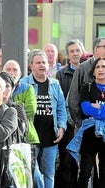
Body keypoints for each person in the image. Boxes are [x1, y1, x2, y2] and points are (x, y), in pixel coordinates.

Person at [20, 49, 67, 188]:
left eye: (44, 62)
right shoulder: (23, 83)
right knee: (33, 171)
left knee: (49, 173)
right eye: (38, 62)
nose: (41, 65)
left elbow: (61, 109)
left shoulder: (55, 84)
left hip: (51, 135)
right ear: (30, 66)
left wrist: (61, 127)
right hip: (31, 135)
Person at [55, 39, 84, 188]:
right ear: (67, 55)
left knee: (81, 162)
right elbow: (59, 100)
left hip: (84, 123)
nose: (75, 54)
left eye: (77, 50)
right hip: (67, 124)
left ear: (82, 52)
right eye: (72, 51)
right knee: (66, 160)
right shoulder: (61, 74)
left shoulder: (88, 71)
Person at [76, 57, 105, 188]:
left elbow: (91, 109)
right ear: (93, 72)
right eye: (97, 67)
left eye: (103, 67)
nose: (100, 69)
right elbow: (86, 109)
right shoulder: (86, 87)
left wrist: (99, 107)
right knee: (85, 172)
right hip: (89, 135)